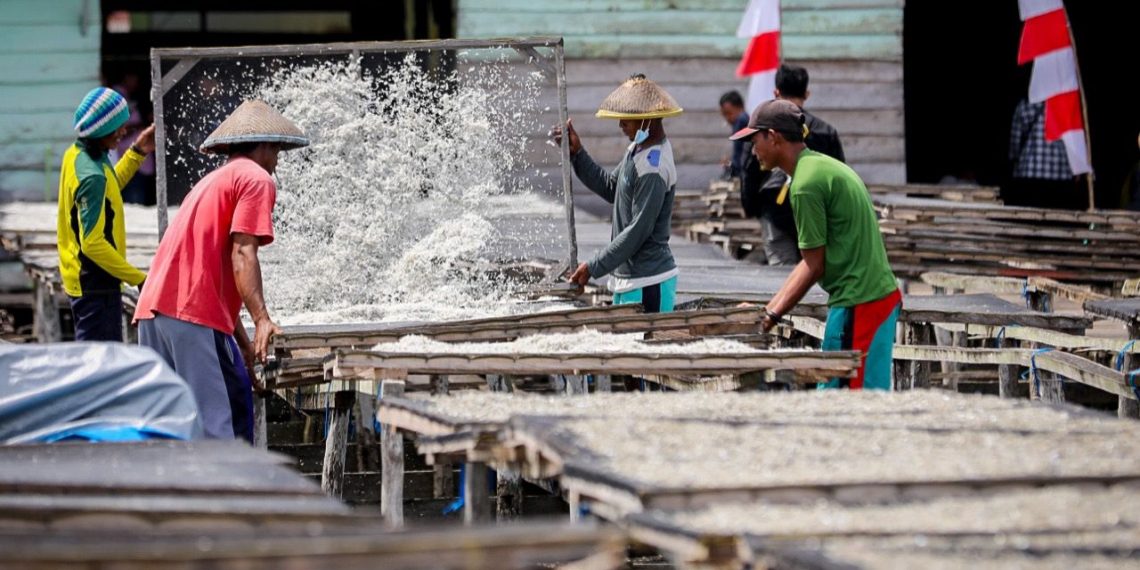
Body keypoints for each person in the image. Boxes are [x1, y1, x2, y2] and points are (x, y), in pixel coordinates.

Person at [133, 100, 309, 441]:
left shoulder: (211, 181)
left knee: (165, 431)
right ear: (266, 147)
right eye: (277, 151)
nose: (277, 161)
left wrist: (243, 344)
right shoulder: (257, 179)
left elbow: (212, 271)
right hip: (192, 317)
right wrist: (262, 319)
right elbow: (242, 253)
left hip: (153, 313)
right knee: (221, 427)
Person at [731, 100, 900, 390]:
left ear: (773, 136)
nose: (752, 150)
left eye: (754, 140)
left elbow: (814, 265)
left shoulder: (805, 184)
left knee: (856, 402)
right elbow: (810, 260)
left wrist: (768, 319)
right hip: (863, 297)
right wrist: (767, 312)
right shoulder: (819, 166)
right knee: (834, 393)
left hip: (861, 301)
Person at [554, 74, 680, 313]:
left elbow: (637, 231)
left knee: (643, 338)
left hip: (648, 281)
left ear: (647, 119)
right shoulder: (637, 150)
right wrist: (577, 153)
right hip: (628, 279)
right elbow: (611, 188)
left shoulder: (653, 167)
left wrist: (594, 266)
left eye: (627, 119)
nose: (621, 124)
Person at [57, 86, 155, 342]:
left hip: (86, 279)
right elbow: (92, 243)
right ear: (102, 129)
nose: (124, 132)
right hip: (95, 286)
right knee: (99, 360)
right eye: (119, 127)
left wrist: (137, 151)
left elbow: (108, 189)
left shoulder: (77, 154)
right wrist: (138, 278)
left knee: (97, 357)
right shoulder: (92, 175)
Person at [738, 64, 847, 266]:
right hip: (817, 214)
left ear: (776, 92)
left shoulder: (762, 129)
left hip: (775, 212)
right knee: (814, 267)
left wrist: (752, 208)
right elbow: (839, 175)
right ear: (806, 93)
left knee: (784, 270)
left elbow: (749, 173)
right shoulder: (825, 131)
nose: (755, 151)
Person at [1006, 98, 1080, 208]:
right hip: (1061, 173)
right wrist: (1078, 168)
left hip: (1030, 173)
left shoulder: (1025, 104)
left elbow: (1015, 142)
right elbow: (1076, 140)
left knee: (1030, 212)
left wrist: (1015, 160)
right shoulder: (1067, 104)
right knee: (1057, 213)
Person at [718, 90, 750, 179]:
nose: (727, 118)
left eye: (729, 113)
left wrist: (730, 164)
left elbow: (739, 158)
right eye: (724, 115)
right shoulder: (746, 119)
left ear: (740, 107)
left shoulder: (741, 121)